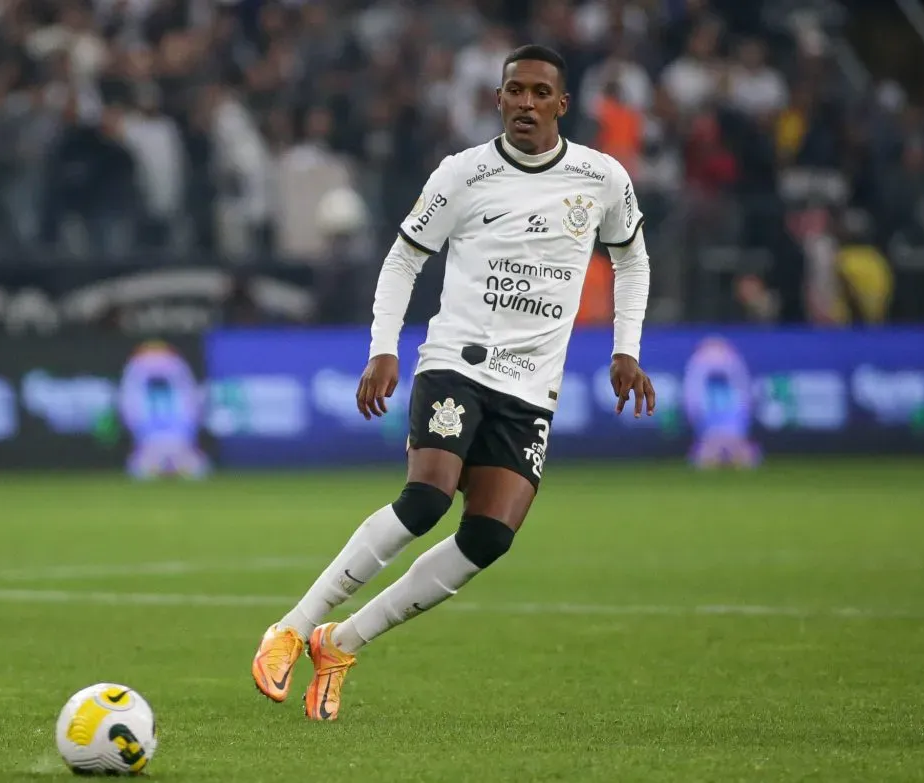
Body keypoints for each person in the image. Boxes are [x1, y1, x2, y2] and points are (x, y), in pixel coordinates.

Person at [251, 45, 656, 721]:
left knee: (490, 538)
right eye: (514, 91)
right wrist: (384, 348)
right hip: (457, 365)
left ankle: (340, 642)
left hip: (531, 388)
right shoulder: (463, 174)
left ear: (562, 104)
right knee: (426, 497)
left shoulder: (602, 178)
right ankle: (292, 625)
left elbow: (632, 259)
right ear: (497, 100)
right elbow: (404, 257)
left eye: (539, 92)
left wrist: (626, 348)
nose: (525, 102)